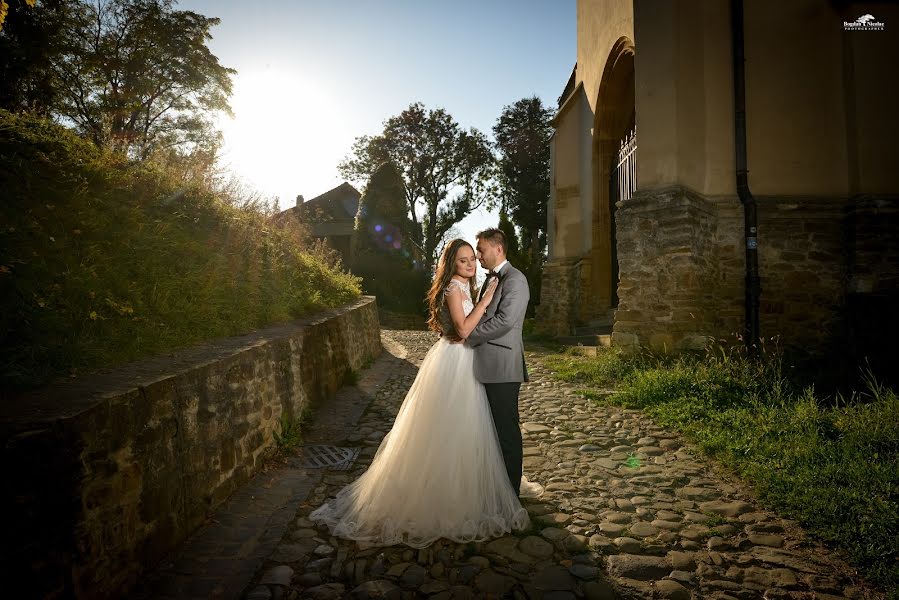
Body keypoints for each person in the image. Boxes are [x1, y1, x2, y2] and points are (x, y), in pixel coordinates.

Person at [309, 239, 530, 548]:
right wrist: (485, 300)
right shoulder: (455, 288)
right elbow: (465, 330)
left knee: (469, 429)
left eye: (472, 258)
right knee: (448, 428)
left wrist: (483, 299)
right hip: (455, 360)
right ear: (452, 264)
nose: (470, 264)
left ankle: (471, 488)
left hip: (470, 362)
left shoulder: (473, 285)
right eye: (464, 260)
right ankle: (443, 495)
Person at [466, 228, 544, 499]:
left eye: (481, 250)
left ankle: (510, 492)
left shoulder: (516, 279)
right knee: (490, 430)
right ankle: (493, 485)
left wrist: (469, 336)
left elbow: (506, 321)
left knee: (506, 430)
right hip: (486, 365)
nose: (478, 256)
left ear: (498, 249)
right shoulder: (490, 279)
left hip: (502, 366)